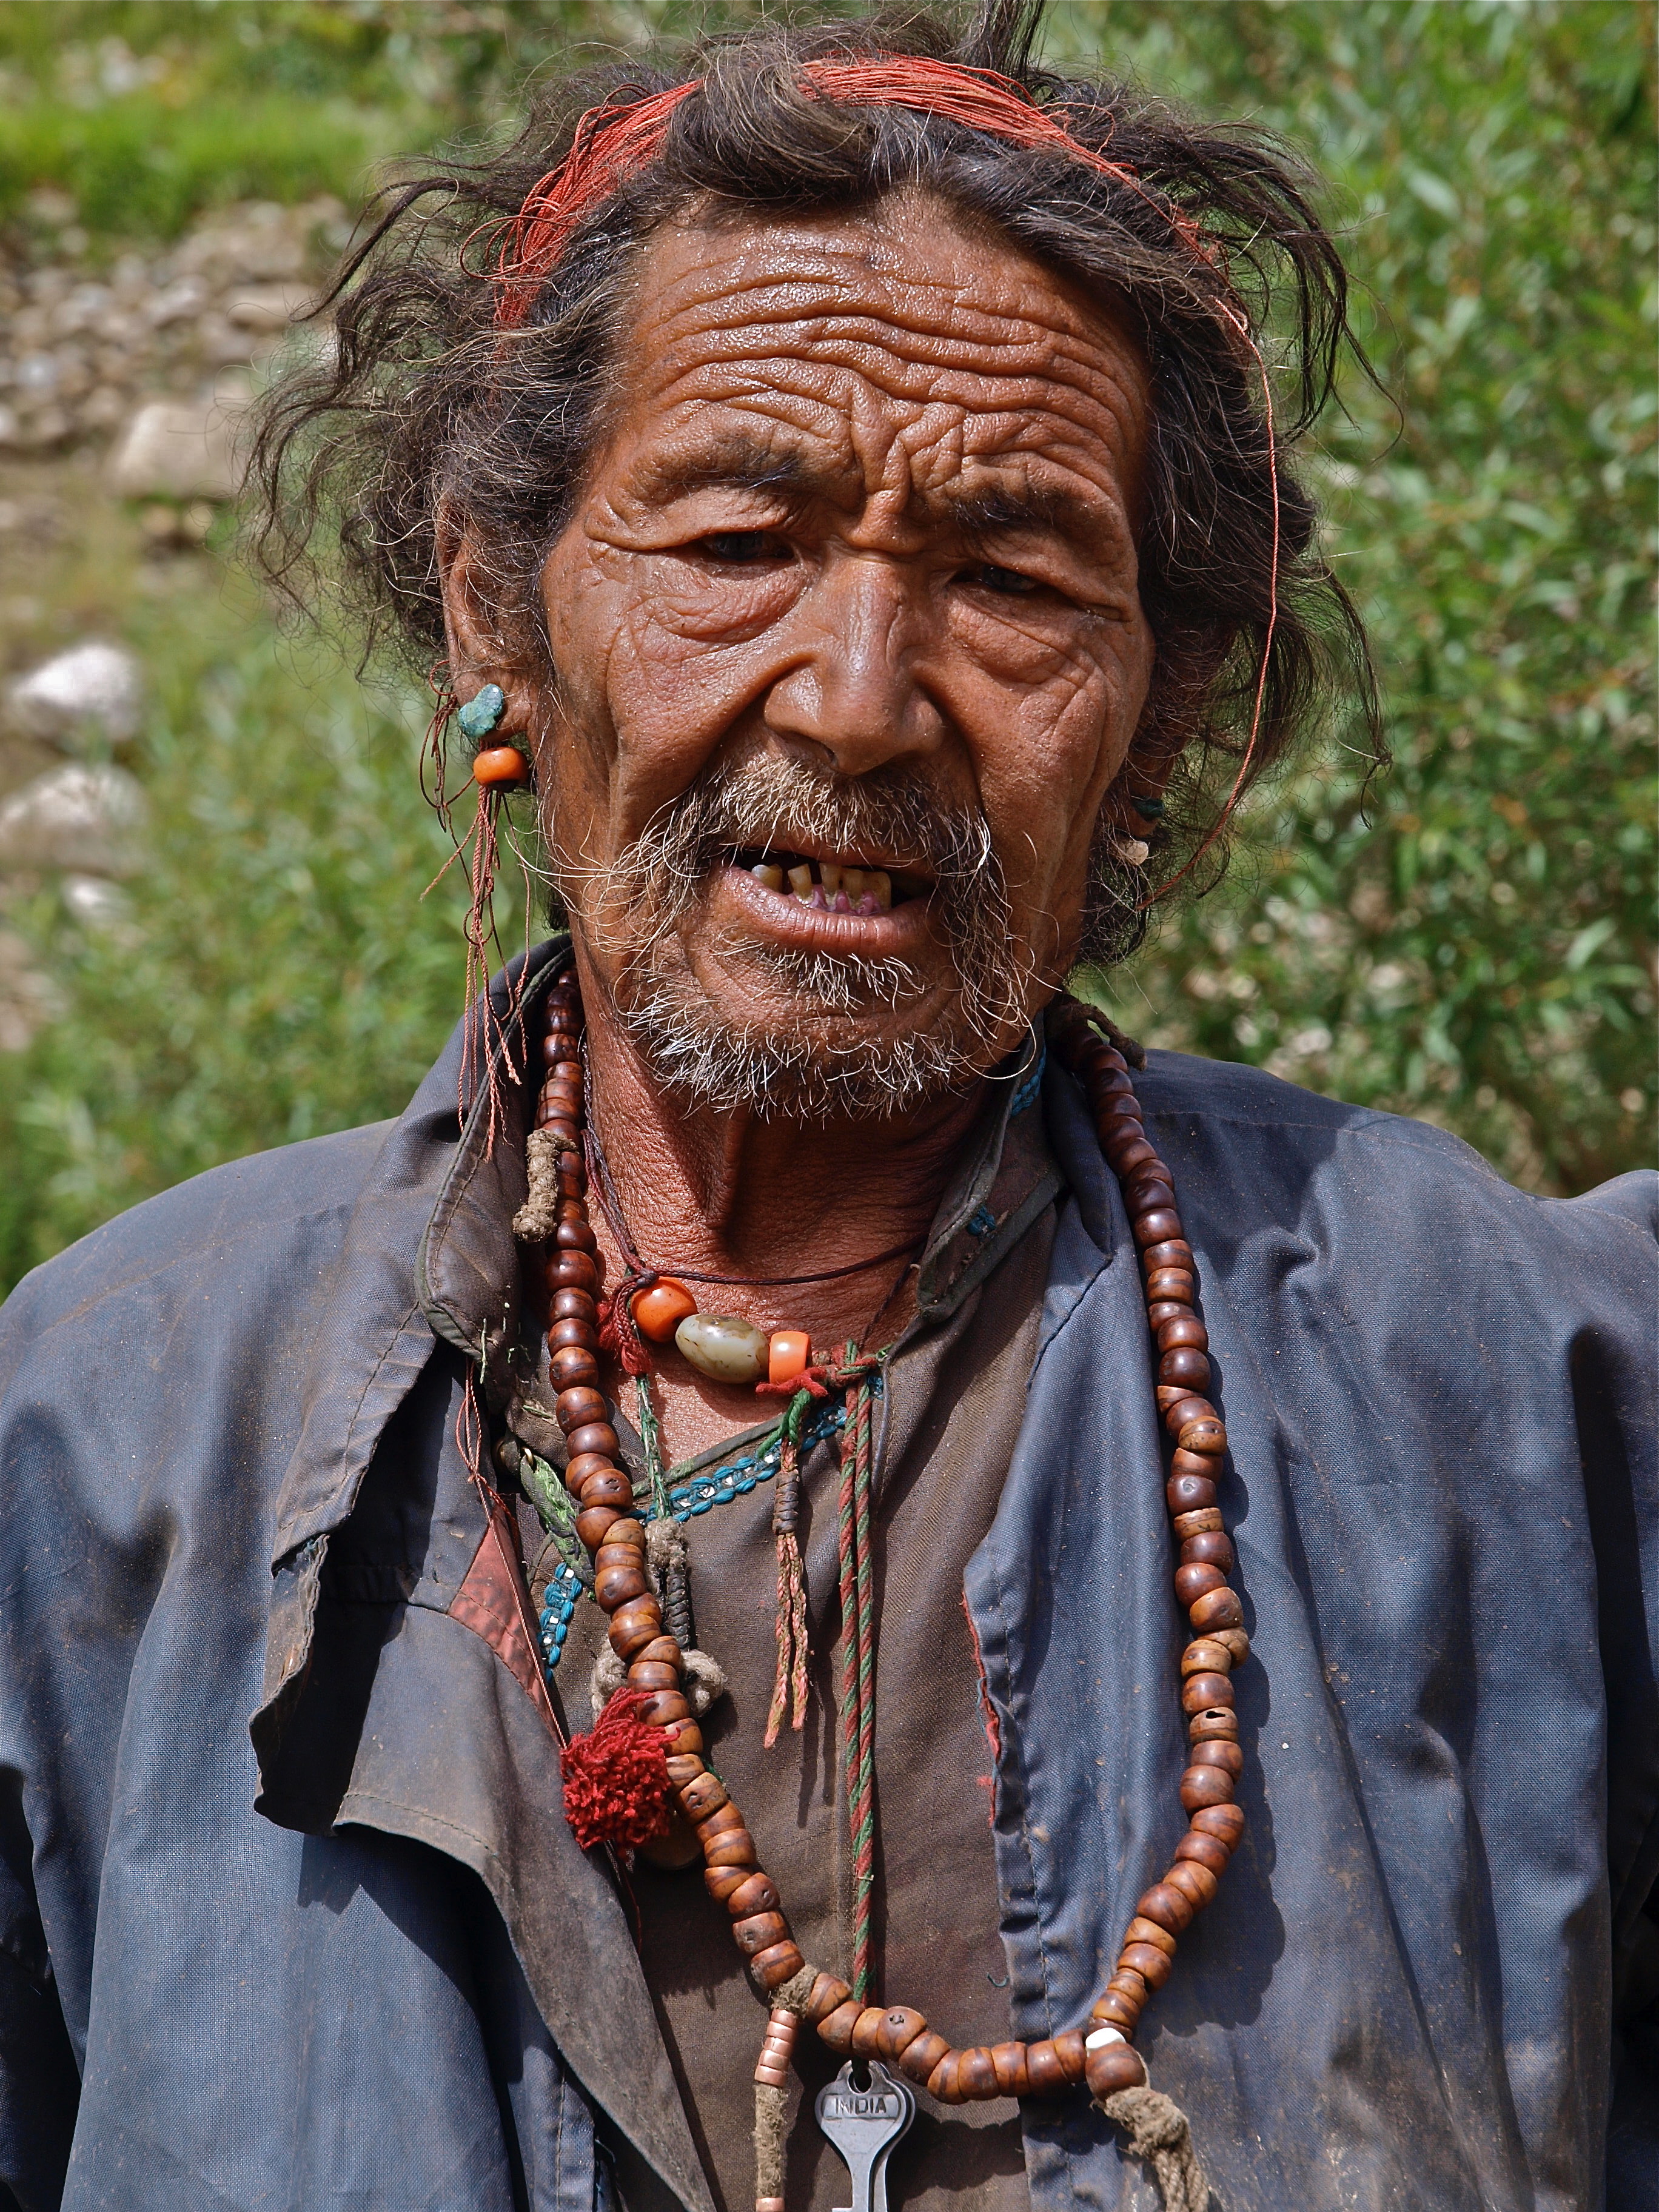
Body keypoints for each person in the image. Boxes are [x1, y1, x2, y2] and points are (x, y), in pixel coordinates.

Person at [0, 8, 1653, 2211]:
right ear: (499, 604)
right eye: (735, 543)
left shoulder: (1519, 1386)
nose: (862, 702)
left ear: (1157, 713)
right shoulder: (105, 1429)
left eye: (1015, 580)